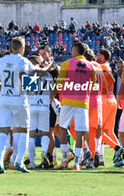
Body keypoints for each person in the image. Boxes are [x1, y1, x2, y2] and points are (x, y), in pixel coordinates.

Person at [0, 37, 53, 174]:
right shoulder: (23, 61)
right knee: (24, 131)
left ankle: (0, 161)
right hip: (19, 99)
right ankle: (19, 162)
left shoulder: (1, 60)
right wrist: (48, 66)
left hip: (5, 99)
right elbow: (33, 73)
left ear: (10, 48)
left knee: (4, 131)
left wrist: (2, 87)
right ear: (22, 48)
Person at [54, 42, 97, 171]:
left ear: (76, 50)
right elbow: (92, 85)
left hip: (68, 101)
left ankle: (65, 160)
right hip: (83, 102)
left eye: (72, 48)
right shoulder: (91, 66)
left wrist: (54, 93)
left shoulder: (67, 63)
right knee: (80, 134)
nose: (71, 50)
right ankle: (76, 163)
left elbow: (60, 82)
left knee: (62, 129)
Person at [96, 49, 124, 167]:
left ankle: (117, 148)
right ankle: (119, 157)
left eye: (97, 55)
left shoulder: (101, 67)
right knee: (109, 131)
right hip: (111, 100)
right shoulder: (107, 67)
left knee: (95, 131)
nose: (95, 56)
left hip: (104, 101)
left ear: (103, 57)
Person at [27, 55, 53, 169]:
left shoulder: (29, 74)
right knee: (44, 133)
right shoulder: (48, 75)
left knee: (31, 134)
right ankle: (43, 151)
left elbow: (27, 93)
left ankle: (32, 162)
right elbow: (52, 92)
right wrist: (49, 101)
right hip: (44, 106)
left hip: (31, 106)